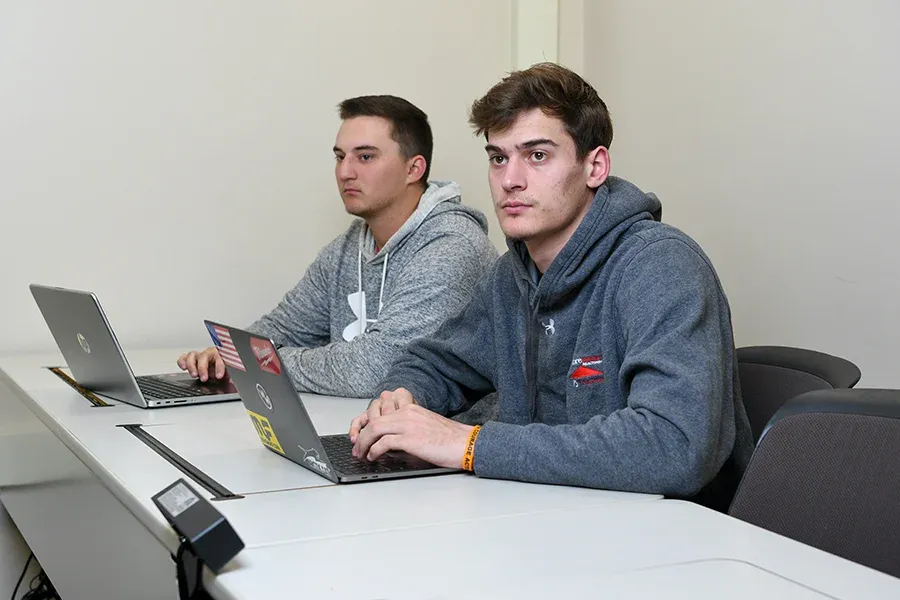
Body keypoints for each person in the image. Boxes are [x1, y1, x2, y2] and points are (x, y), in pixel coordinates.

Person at [349, 64, 754, 510]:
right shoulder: (514, 273)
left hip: (671, 540)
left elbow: (674, 446)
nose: (509, 180)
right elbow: (437, 362)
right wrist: (399, 400)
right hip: (550, 522)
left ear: (594, 166)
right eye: (498, 157)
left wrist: (469, 445)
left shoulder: (660, 266)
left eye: (537, 155)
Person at [177, 95, 498, 398]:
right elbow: (285, 327)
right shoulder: (346, 247)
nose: (345, 172)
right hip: (352, 424)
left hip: (442, 441)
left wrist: (257, 363)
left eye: (366, 156)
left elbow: (378, 367)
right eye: (340, 157)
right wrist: (227, 354)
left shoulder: (452, 244)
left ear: (413, 169)